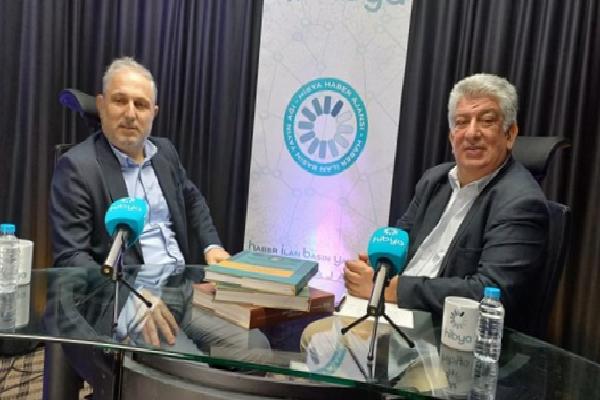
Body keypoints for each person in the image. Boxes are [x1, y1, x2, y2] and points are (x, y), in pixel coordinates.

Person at [49, 57, 269, 398]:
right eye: (120, 101)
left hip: (182, 290)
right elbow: (71, 258)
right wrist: (128, 298)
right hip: (129, 298)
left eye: (140, 104)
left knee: (258, 349)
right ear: (102, 104)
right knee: (194, 380)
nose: (130, 113)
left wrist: (212, 245)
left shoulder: (165, 152)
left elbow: (192, 198)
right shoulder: (78, 167)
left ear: (154, 112)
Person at [302, 74, 548, 349]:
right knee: (316, 337)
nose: (472, 133)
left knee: (321, 343)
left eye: (486, 121)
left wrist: (390, 290)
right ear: (451, 136)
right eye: (461, 122)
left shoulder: (521, 203)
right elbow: (401, 240)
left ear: (510, 134)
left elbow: (489, 293)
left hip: (447, 338)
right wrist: (378, 268)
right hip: (397, 316)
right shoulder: (435, 180)